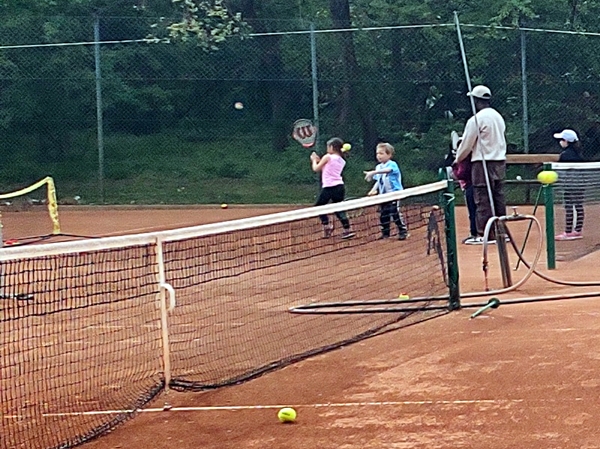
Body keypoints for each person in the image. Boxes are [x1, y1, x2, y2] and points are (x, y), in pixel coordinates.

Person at [454, 85, 507, 244]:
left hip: (482, 163)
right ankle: (500, 232)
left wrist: (458, 158)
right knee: (498, 197)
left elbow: (467, 144)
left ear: (476, 101)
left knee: (482, 198)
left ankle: (484, 234)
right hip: (500, 162)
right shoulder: (498, 117)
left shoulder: (476, 119)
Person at [310, 137, 355, 239]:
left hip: (329, 187)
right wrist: (319, 160)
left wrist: (314, 160)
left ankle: (327, 226)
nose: (327, 149)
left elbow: (316, 168)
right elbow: (327, 166)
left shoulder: (328, 157)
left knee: (319, 207)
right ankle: (347, 229)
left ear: (331, 147)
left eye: (328, 146)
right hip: (339, 187)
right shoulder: (342, 160)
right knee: (338, 209)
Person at [363, 142, 409, 240]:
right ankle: (385, 233)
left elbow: (388, 170)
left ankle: (403, 231)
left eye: (381, 153)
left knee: (395, 212)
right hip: (384, 195)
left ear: (389, 155)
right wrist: (373, 190)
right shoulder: (378, 167)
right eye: (377, 153)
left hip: (395, 193)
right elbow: (378, 181)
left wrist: (373, 172)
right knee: (384, 214)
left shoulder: (392, 164)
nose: (378, 156)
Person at [553, 129, 585, 241]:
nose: (560, 142)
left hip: (571, 185)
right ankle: (577, 230)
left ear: (566, 141)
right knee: (578, 206)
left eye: (562, 139)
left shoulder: (565, 155)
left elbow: (561, 171)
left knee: (570, 207)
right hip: (579, 183)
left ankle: (569, 232)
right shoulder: (578, 153)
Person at [446, 131, 478, 244]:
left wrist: (454, 169)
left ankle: (475, 233)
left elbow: (462, 174)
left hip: (470, 187)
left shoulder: (465, 160)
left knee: (473, 211)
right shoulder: (469, 158)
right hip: (471, 186)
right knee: (475, 210)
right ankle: (477, 232)